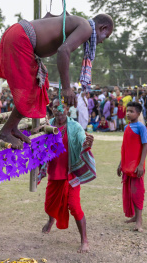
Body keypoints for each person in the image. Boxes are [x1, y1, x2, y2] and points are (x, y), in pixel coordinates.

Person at [0, 13, 114, 148]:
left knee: (41, 85)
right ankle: (5, 131)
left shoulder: (78, 22)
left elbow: (53, 21)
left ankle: (12, 127)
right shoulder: (86, 27)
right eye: (107, 36)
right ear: (103, 28)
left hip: (18, 35)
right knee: (31, 90)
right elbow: (64, 50)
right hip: (21, 38)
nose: (103, 40)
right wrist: (66, 88)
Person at [40, 98, 95, 253]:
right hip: (54, 172)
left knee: (74, 206)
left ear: (67, 109)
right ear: (51, 109)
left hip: (71, 173)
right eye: (56, 107)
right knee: (49, 205)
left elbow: (82, 140)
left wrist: (87, 143)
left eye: (62, 107)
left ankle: (84, 240)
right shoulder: (46, 125)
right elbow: (38, 143)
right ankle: (51, 219)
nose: (59, 110)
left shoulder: (75, 126)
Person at [117, 102, 147, 232]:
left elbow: (145, 145)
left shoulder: (141, 127)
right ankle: (135, 217)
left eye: (131, 111)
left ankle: (139, 221)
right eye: (127, 111)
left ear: (139, 113)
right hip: (126, 165)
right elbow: (125, 148)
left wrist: (141, 164)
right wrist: (120, 163)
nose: (128, 113)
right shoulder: (126, 127)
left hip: (136, 167)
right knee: (130, 192)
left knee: (137, 192)